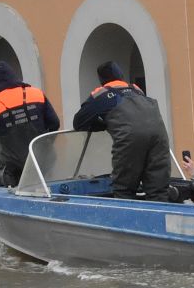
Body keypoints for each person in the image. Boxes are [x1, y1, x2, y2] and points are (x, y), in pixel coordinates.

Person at [72, 61, 174, 199]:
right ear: (121, 75)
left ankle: (127, 218)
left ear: (102, 80)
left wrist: (103, 124)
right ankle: (160, 218)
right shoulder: (137, 90)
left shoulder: (102, 94)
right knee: (158, 190)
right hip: (159, 137)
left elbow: (78, 122)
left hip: (130, 140)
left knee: (124, 190)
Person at [0, 61, 59, 188]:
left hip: (14, 162)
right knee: (42, 171)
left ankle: (10, 180)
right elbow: (55, 124)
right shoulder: (36, 93)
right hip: (45, 157)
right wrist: (45, 146)